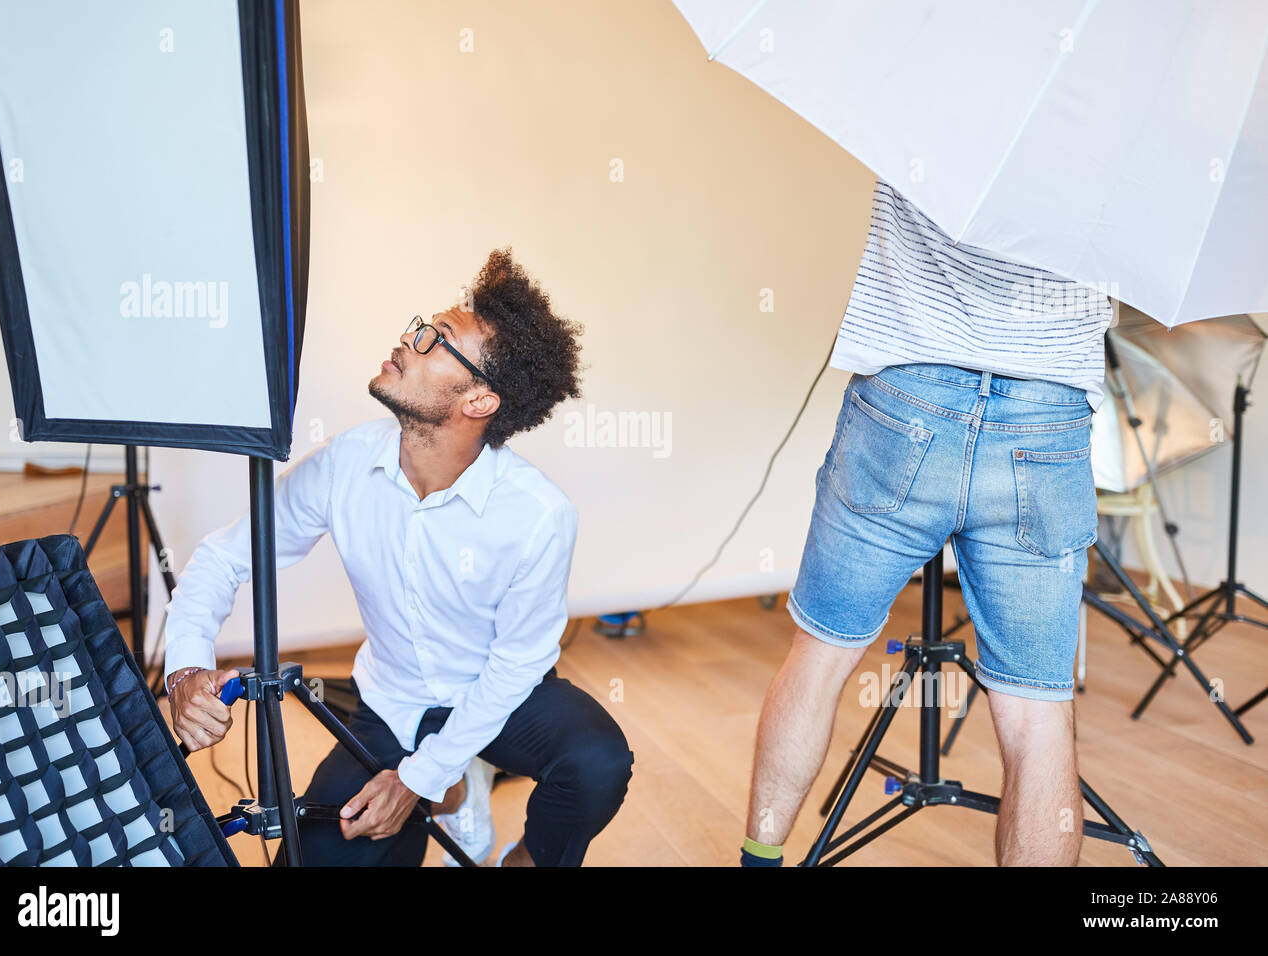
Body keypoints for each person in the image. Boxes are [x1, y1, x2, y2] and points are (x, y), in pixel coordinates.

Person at [164, 248, 633, 867]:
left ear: (479, 401)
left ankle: (521, 851)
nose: (408, 342)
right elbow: (225, 558)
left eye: (436, 341)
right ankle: (456, 790)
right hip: (391, 705)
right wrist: (184, 670)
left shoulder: (538, 514)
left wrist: (415, 780)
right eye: (421, 327)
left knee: (597, 759)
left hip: (501, 701)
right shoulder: (345, 465)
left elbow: (518, 664)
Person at [744, 179, 1113, 867]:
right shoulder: (1124, 117)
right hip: (1046, 414)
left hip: (910, 392)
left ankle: (757, 862)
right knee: (1039, 711)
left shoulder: (931, 78)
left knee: (822, 654)